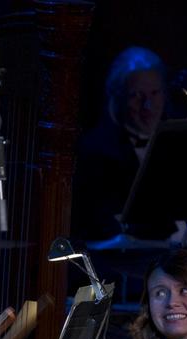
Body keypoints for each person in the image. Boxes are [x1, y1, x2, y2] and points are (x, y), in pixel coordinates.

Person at [71, 46, 171, 244]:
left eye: (154, 93)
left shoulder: (178, 140)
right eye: (136, 96)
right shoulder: (94, 151)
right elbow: (99, 223)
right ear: (117, 97)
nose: (148, 106)